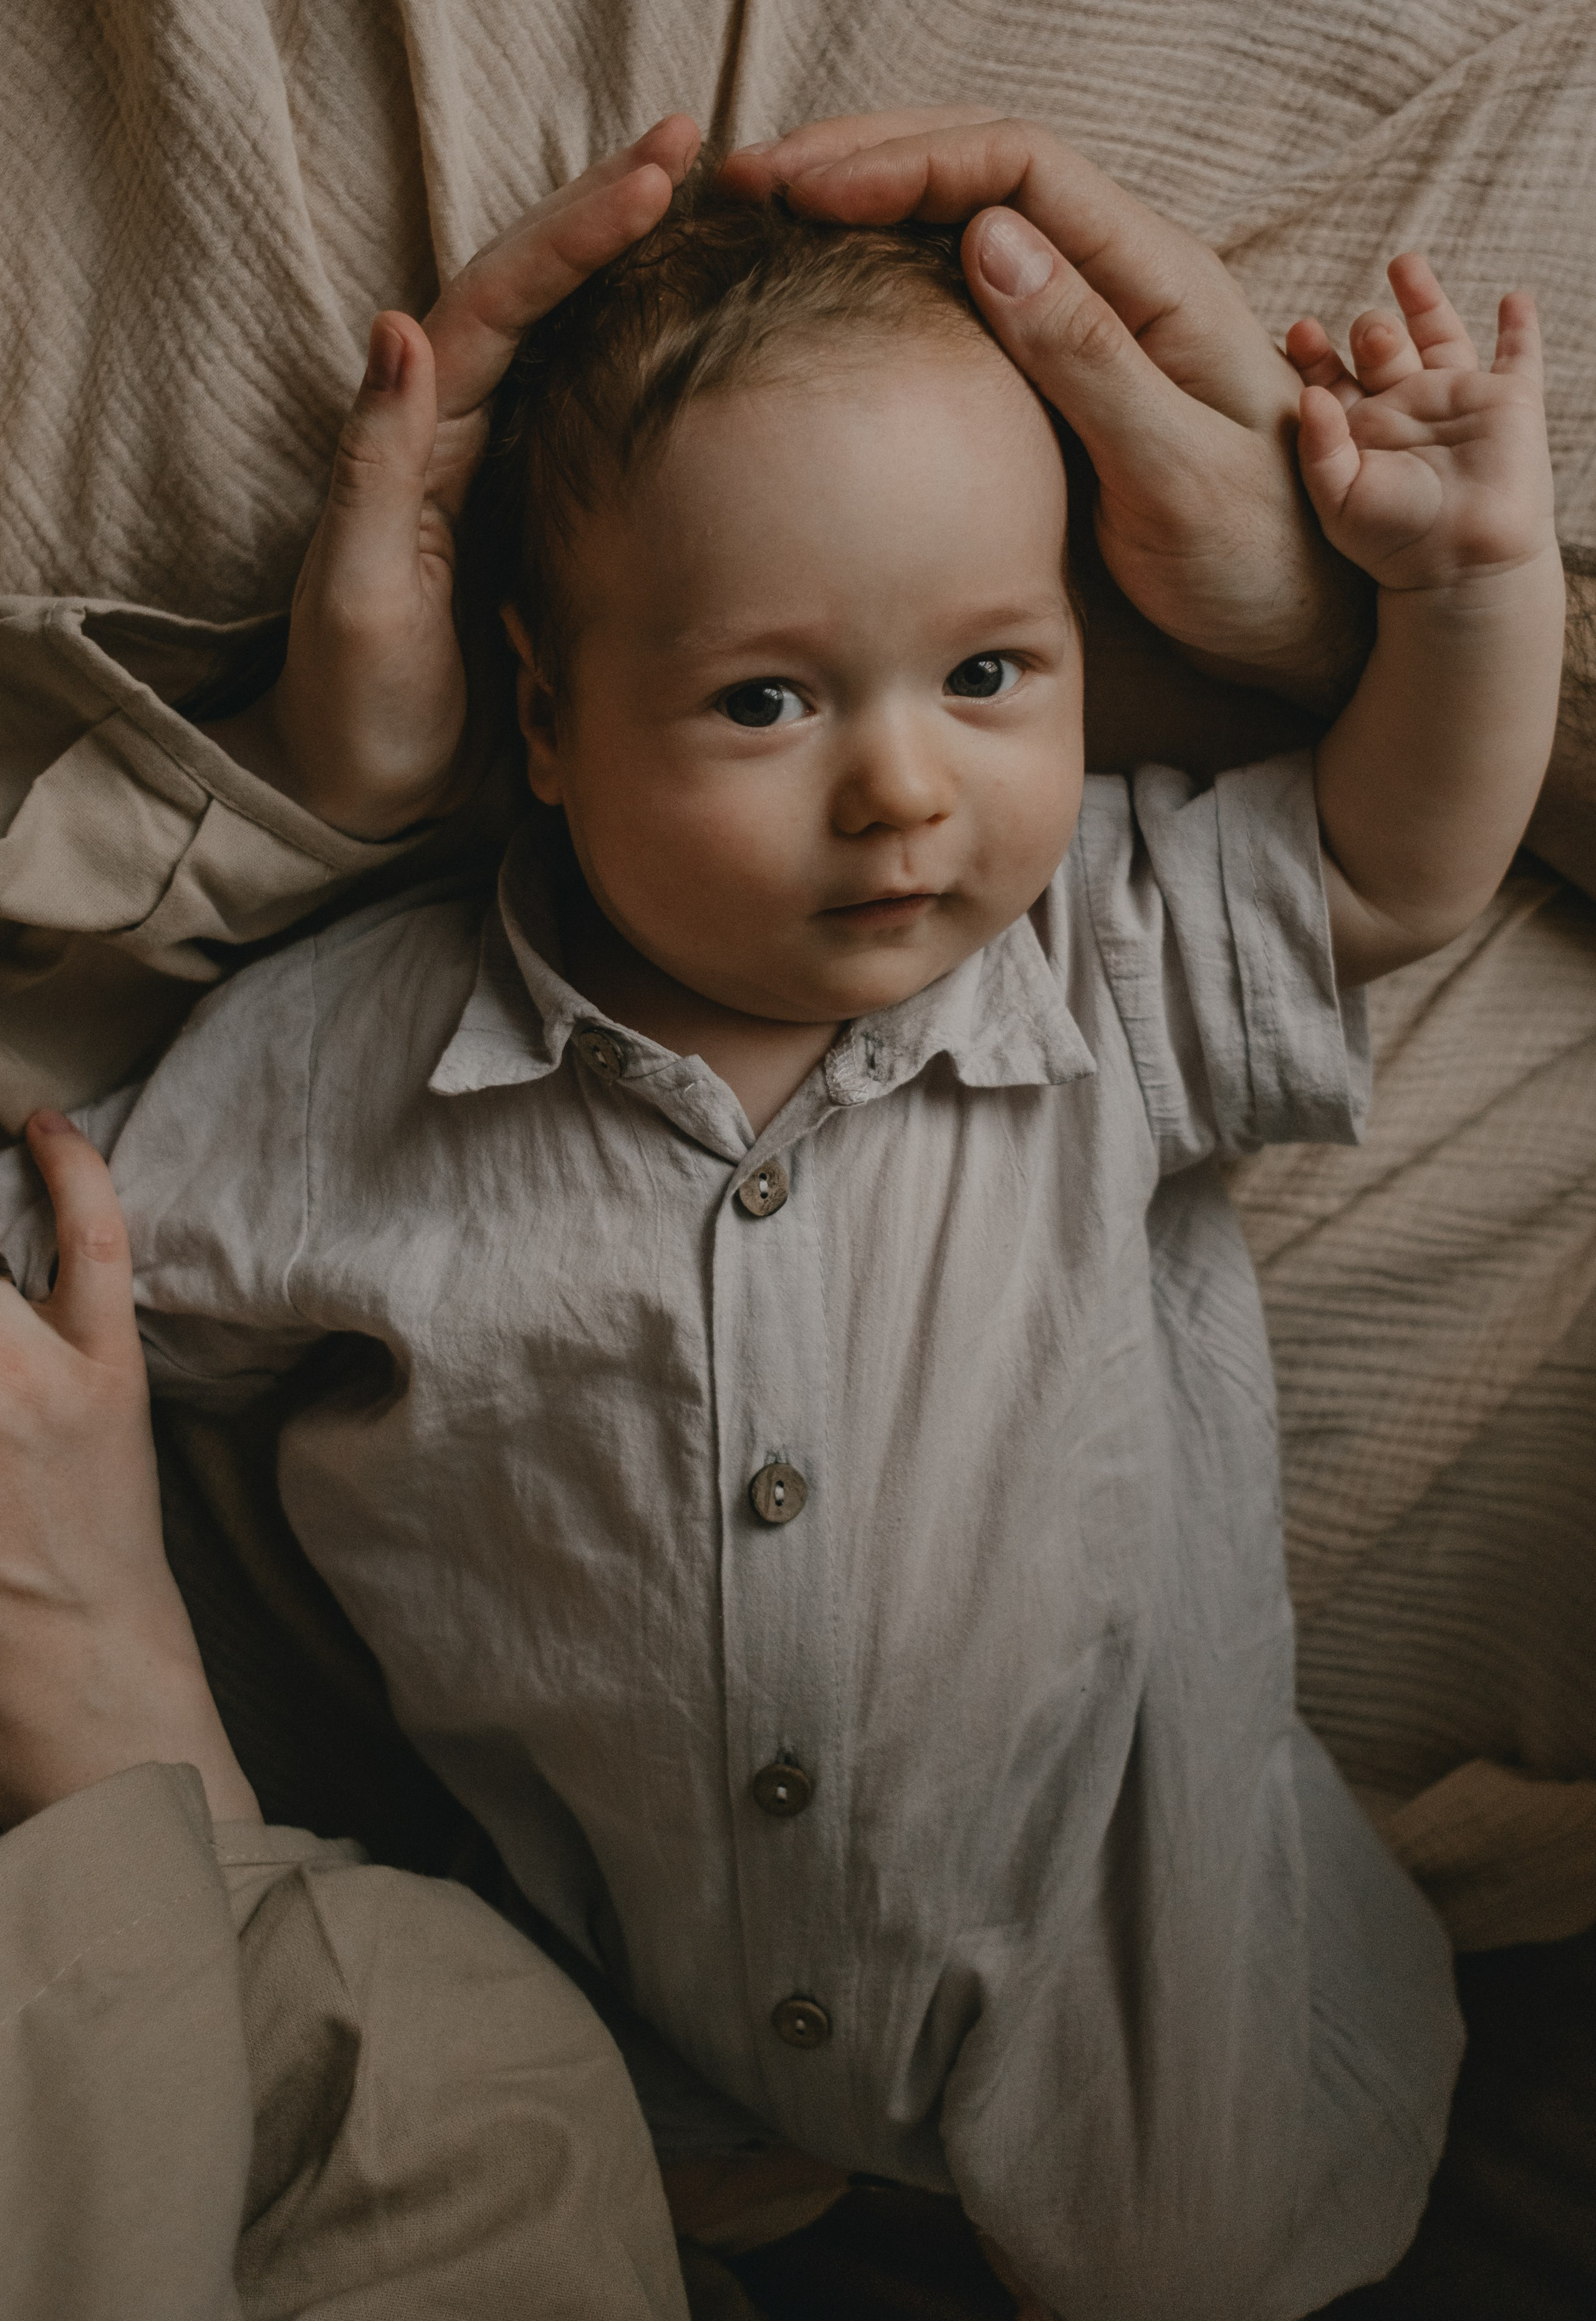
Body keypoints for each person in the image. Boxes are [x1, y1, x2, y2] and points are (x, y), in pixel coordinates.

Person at [0, 112, 1565, 2318]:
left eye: (993, 675)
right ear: (544, 718)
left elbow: (1399, 867)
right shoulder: (349, 1065)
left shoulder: (1091, 967)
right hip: (616, 2019)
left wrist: (1470, 586)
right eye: (766, 699)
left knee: (1201, 2256)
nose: (908, 784)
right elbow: (63, 1252)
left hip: (1133, 1992)